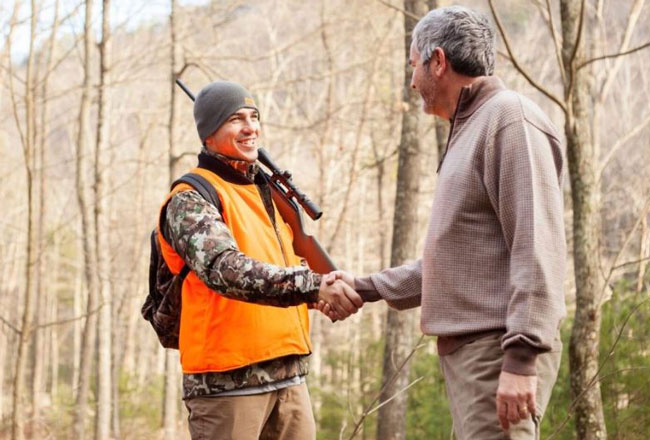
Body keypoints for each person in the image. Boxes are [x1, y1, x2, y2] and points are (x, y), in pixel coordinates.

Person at [325, 6, 566, 439]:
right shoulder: (469, 128)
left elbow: (537, 245)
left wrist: (521, 358)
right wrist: (365, 286)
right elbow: (457, 260)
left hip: (498, 354)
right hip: (475, 359)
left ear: (439, 62)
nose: (412, 81)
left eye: (414, 66)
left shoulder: (509, 119)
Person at [158, 80, 361, 440]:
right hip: (227, 386)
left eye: (254, 117)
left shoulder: (266, 192)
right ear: (208, 134)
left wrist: (318, 296)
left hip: (290, 378)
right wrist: (313, 284)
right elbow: (227, 271)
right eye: (236, 119)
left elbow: (273, 267)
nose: (251, 127)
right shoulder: (190, 198)